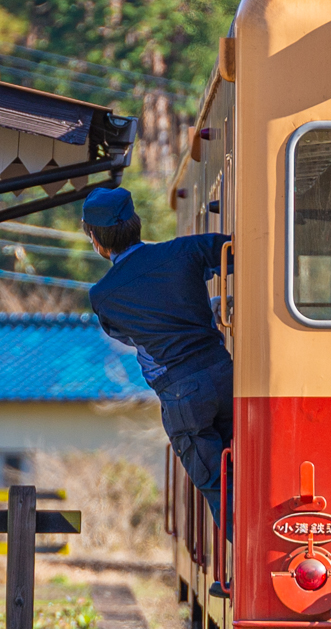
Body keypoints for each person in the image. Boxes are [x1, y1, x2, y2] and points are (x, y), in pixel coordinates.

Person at [82, 186, 233, 527]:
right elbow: (238, 250)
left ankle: (245, 564)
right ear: (136, 223)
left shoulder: (103, 295)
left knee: (219, 489)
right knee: (255, 472)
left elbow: (122, 334)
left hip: (182, 394)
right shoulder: (185, 251)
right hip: (226, 375)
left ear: (96, 239)